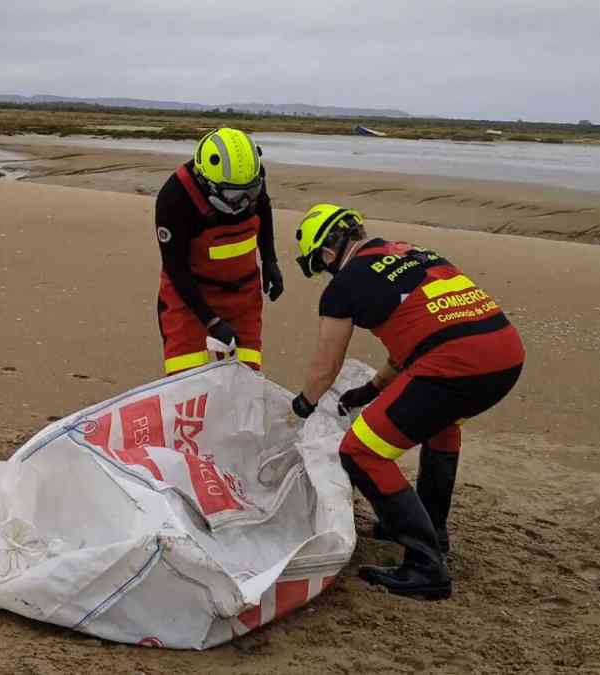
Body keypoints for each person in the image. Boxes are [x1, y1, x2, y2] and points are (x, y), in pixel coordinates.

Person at [289, 203, 524, 600]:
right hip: (504, 355)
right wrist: (374, 388)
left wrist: (302, 406)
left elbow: (325, 368)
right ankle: (433, 528)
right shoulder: (413, 252)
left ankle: (426, 566)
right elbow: (423, 330)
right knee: (440, 426)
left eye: (321, 264)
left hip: (456, 363)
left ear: (327, 252)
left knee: (360, 450)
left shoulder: (343, 286)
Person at [154, 127, 284, 375]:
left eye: (251, 193)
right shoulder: (175, 199)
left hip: (244, 293)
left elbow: (263, 209)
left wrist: (270, 261)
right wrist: (211, 321)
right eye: (235, 195)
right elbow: (176, 269)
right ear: (207, 181)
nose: (244, 203)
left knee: (246, 373)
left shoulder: (248, 175)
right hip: (190, 294)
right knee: (185, 378)